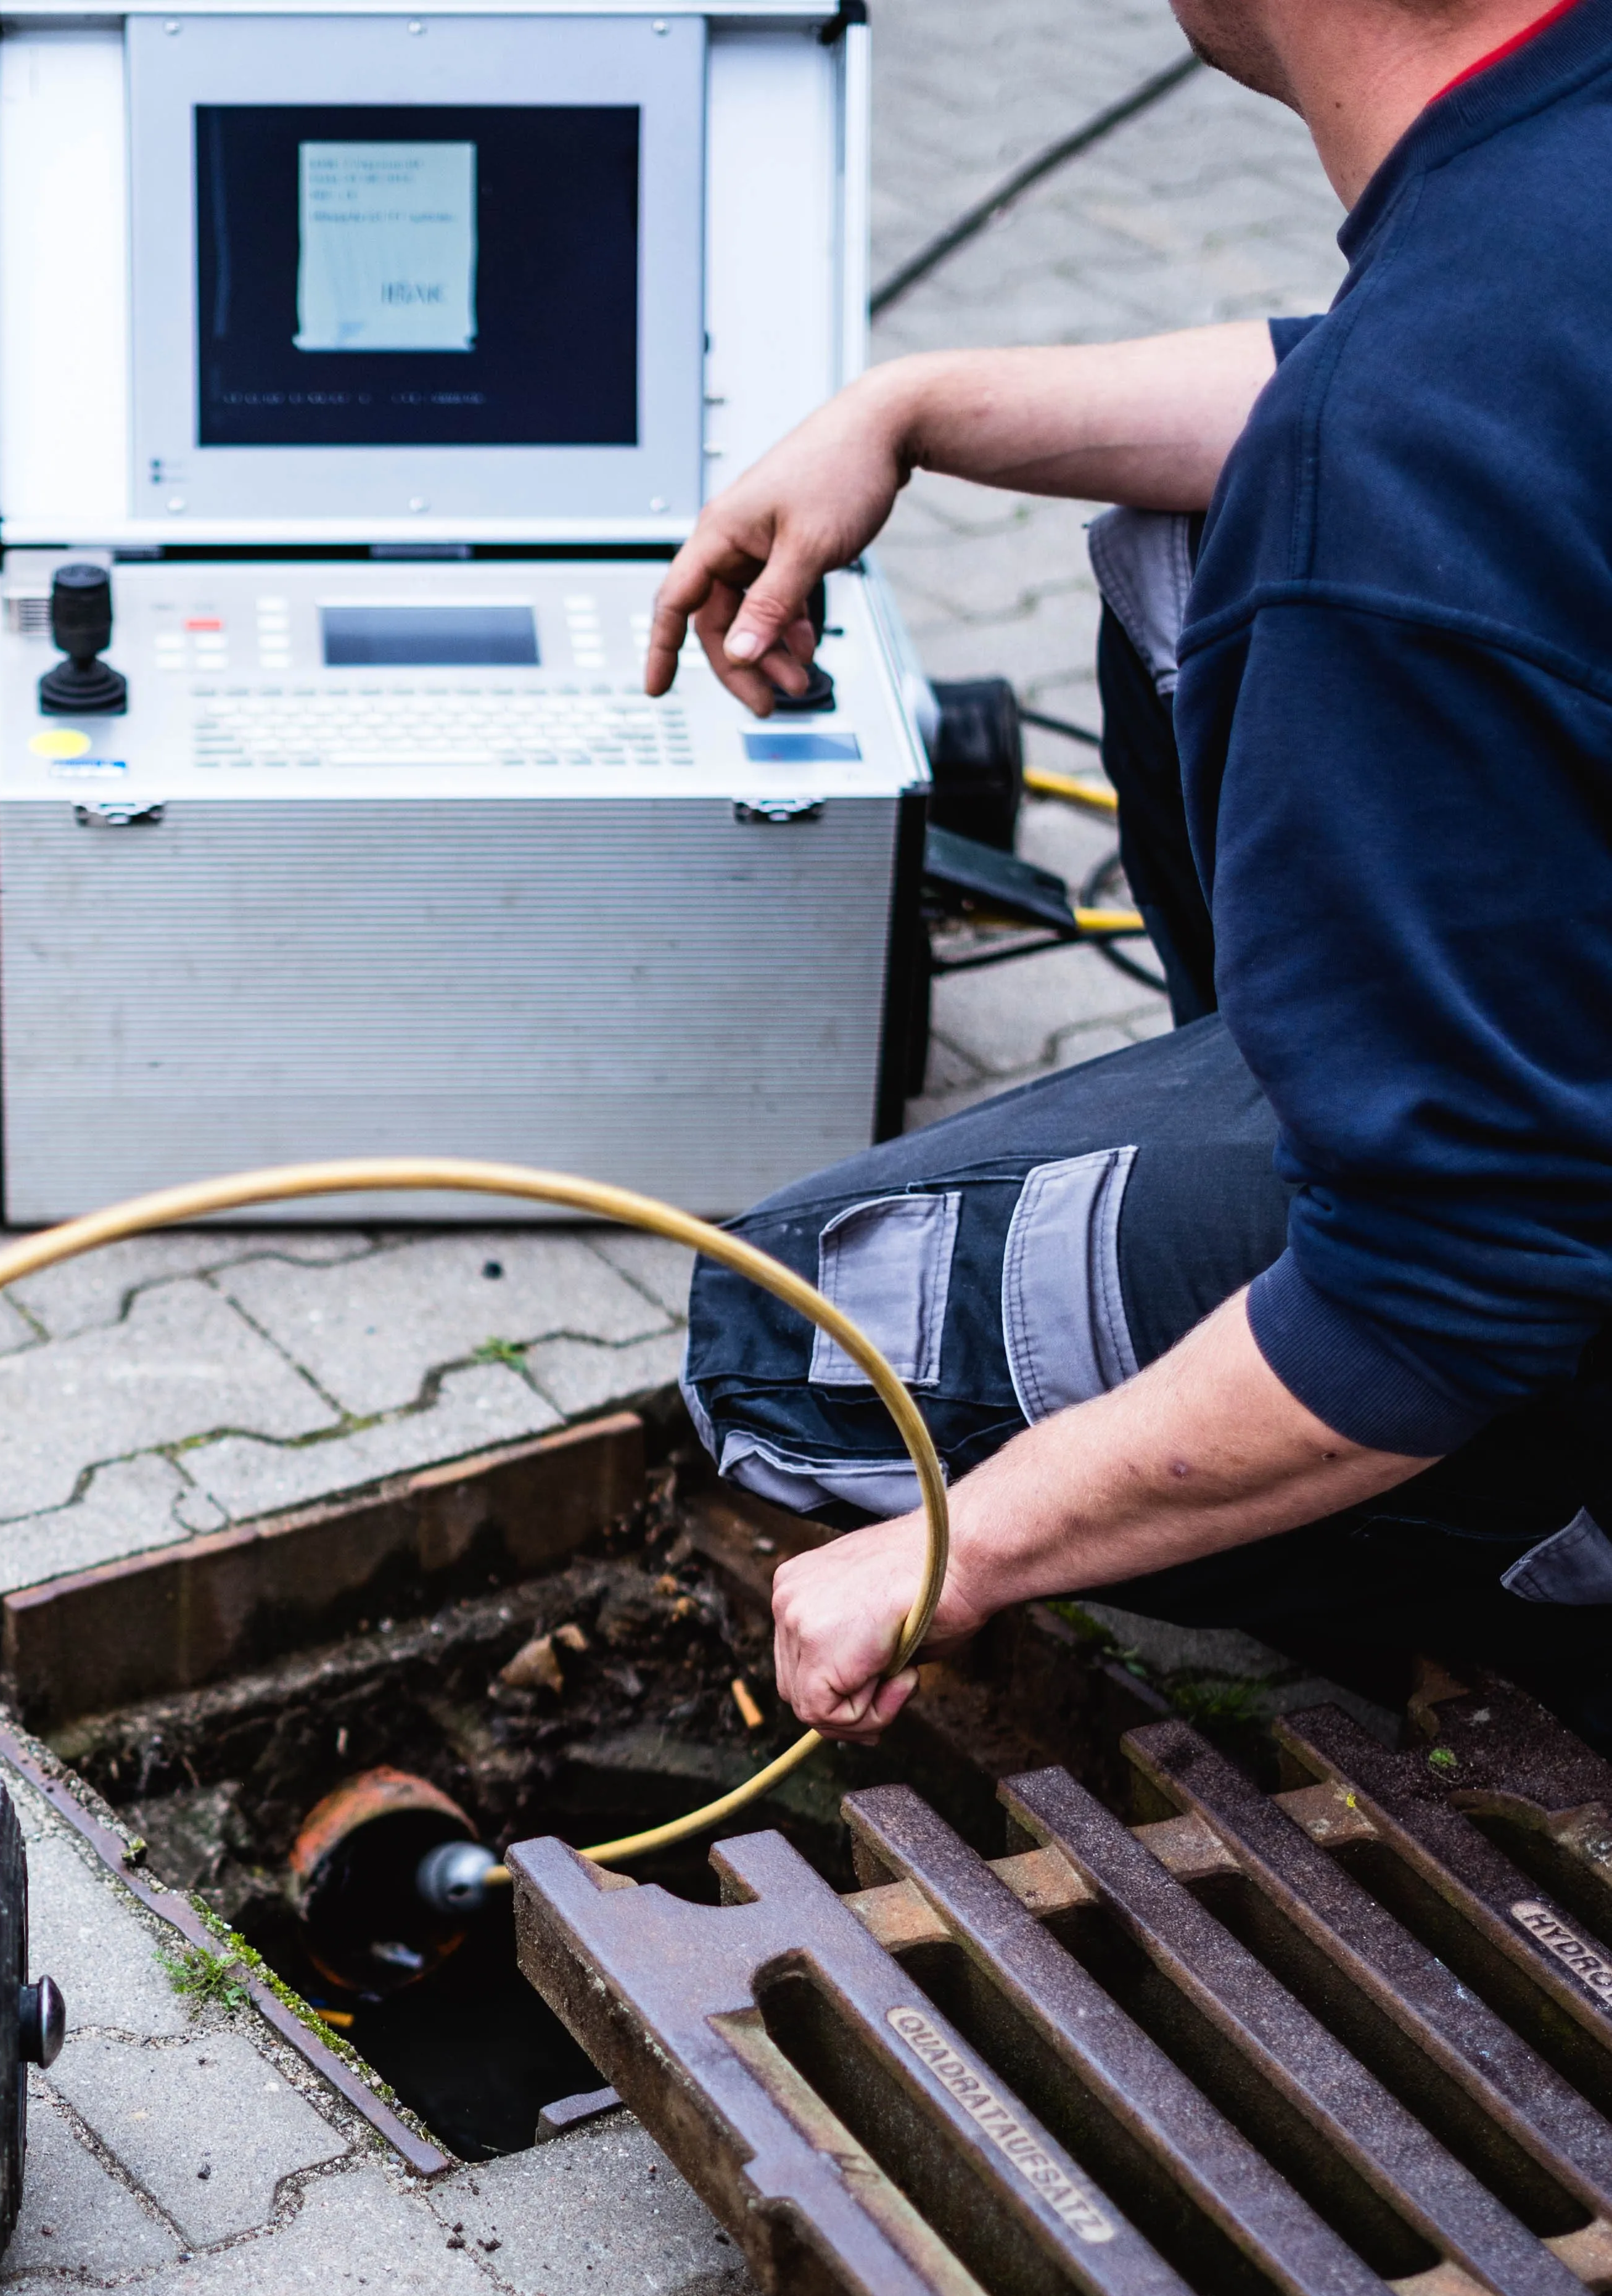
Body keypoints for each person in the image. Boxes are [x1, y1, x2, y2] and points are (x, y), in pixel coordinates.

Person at [648, 0, 1612, 1743]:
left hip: (1536, 1293)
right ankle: (1342, 1155)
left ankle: (1505, 1554)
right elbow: (1408, 378)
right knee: (1175, 539)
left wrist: (961, 1557)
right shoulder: (1556, 161)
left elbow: (1449, 1297)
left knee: (781, 1335)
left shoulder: (1382, 480)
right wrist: (910, 405)